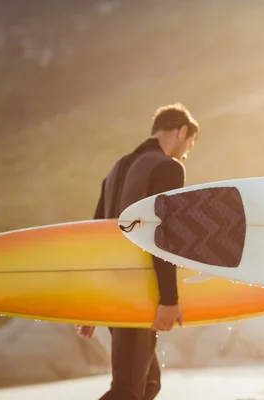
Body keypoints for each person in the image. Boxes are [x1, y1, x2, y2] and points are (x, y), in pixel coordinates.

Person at [76, 103, 199, 400]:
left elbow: (96, 235)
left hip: (112, 292)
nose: (186, 153)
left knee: (148, 385)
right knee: (127, 391)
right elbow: (163, 234)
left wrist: (91, 304)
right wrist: (169, 299)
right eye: (190, 145)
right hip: (137, 291)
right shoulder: (168, 167)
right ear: (181, 131)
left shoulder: (116, 169)